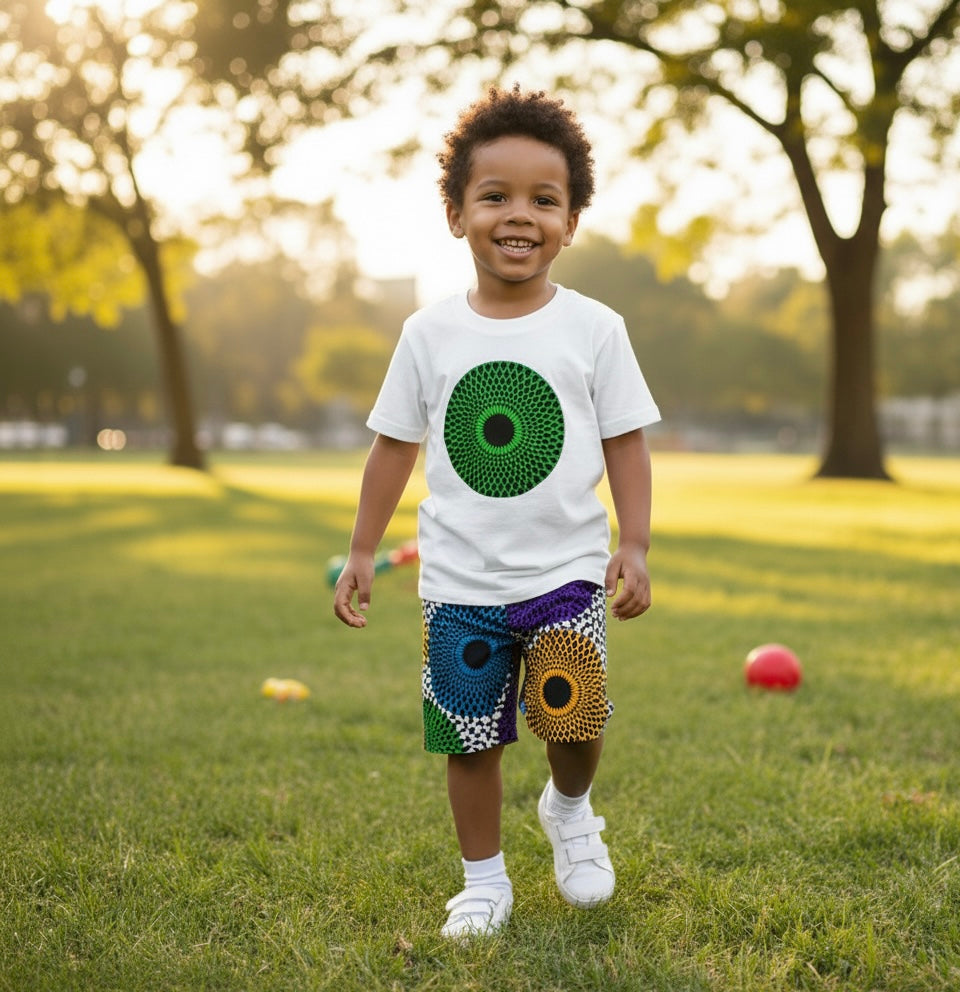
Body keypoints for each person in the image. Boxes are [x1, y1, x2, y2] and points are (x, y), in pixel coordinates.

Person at [333, 86, 660, 939]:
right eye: (495, 196)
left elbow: (626, 441)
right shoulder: (427, 333)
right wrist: (363, 550)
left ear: (571, 221)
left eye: (543, 200)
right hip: (459, 577)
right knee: (470, 737)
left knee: (574, 720)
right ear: (456, 214)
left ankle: (569, 809)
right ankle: (483, 882)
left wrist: (635, 542)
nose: (520, 217)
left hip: (564, 572)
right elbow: (393, 447)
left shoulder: (596, 329)